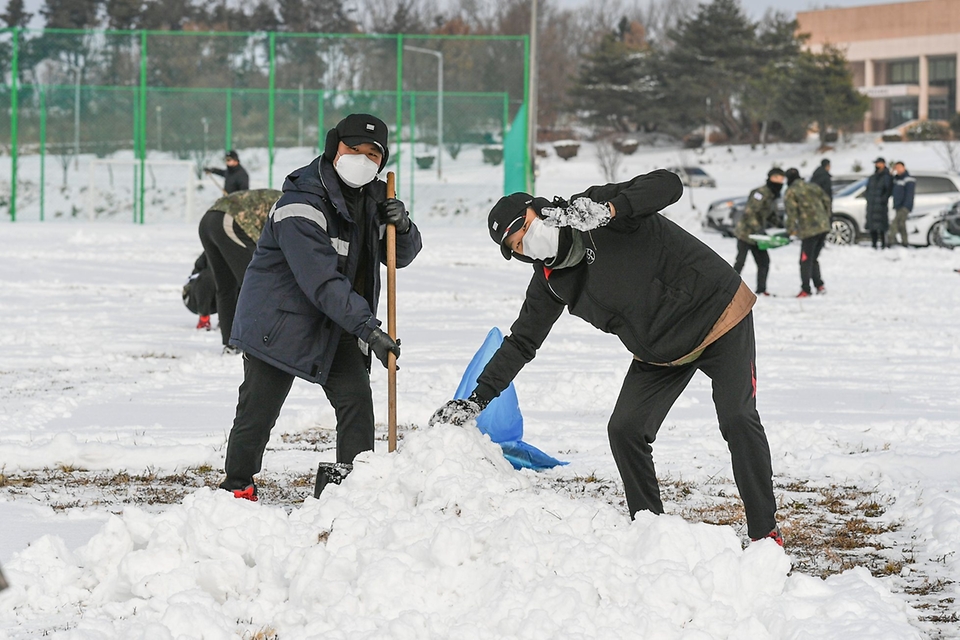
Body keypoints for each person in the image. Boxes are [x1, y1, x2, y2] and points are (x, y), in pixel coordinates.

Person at [430, 170, 781, 545]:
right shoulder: (550, 281)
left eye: (525, 230)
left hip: (719, 314)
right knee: (625, 429)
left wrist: (610, 209)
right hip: (661, 352)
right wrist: (476, 401)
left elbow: (670, 185)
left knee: (738, 417)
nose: (525, 245)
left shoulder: (595, 209)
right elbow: (521, 343)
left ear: (541, 209)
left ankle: (765, 532)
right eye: (516, 246)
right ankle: (651, 529)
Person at [219, 114, 422, 501]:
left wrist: (403, 225)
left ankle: (352, 484)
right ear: (334, 149)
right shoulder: (302, 202)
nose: (362, 160)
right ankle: (237, 487)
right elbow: (321, 280)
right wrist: (369, 329)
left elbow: (401, 257)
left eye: (372, 154)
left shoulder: (375, 199)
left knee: (356, 403)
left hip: (337, 322)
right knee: (259, 409)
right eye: (353, 150)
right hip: (279, 322)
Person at [198, 189, 282, 353]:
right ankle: (259, 341)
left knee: (225, 287)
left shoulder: (282, 199)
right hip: (229, 220)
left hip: (208, 220)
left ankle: (231, 343)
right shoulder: (294, 206)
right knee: (256, 284)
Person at [733, 168, 785, 296]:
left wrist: (782, 225)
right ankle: (729, 287)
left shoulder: (772, 194)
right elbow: (750, 214)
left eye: (782, 179)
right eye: (777, 178)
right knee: (740, 262)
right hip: (745, 233)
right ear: (770, 178)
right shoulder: (760, 193)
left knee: (764, 262)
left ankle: (761, 290)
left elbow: (770, 215)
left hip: (757, 236)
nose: (780, 181)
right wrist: (759, 230)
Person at [784, 168, 831, 298]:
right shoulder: (813, 186)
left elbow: (791, 213)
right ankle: (819, 285)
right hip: (823, 227)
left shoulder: (791, 191)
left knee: (805, 260)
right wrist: (826, 218)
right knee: (813, 258)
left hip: (809, 230)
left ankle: (806, 289)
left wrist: (789, 231)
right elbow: (827, 201)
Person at [865, 157, 893, 249]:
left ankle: (884, 244)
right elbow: (868, 189)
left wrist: (883, 199)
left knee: (882, 226)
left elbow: (888, 190)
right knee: (872, 226)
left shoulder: (887, 177)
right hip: (872, 205)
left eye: (878, 163)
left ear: (883, 164)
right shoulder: (872, 177)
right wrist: (868, 198)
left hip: (881, 205)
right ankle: (874, 244)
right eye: (876, 164)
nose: (877, 165)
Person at [890, 161, 915, 247]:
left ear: (904, 167)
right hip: (898, 205)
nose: (898, 169)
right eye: (896, 168)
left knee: (895, 223)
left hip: (904, 206)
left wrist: (906, 206)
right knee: (901, 224)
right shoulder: (897, 179)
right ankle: (905, 242)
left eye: (899, 167)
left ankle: (890, 242)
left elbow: (909, 194)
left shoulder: (908, 179)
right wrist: (891, 173)